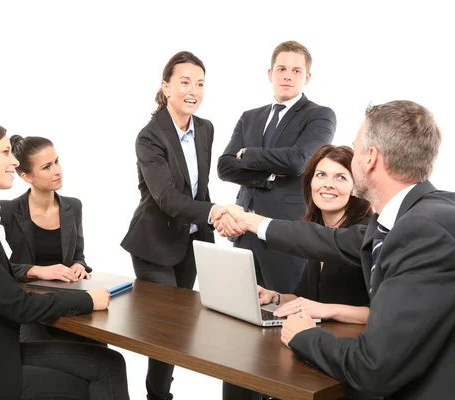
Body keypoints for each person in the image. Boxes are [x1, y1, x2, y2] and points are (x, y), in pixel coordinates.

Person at [217, 101, 454, 399]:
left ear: (370, 158)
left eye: (355, 151)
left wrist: (305, 336)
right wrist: (251, 221)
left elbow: (373, 367)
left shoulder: (421, 230)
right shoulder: (414, 216)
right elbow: (333, 241)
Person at [0, 117, 130, 400]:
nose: (14, 162)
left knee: (108, 361)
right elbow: (16, 306)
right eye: (4, 153)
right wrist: (88, 300)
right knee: (88, 381)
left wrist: (37, 273)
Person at [120, 51, 240, 400]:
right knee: (165, 332)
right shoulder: (149, 137)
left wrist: (214, 219)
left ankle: (160, 393)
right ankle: (158, 396)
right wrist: (216, 211)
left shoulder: (205, 128)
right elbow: (168, 199)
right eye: (184, 82)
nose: (194, 90)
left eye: (200, 83)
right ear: (166, 86)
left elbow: (199, 189)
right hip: (154, 245)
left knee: (181, 327)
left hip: (191, 242)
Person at [221, 144, 373, 400]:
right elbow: (305, 298)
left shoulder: (365, 235)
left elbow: (381, 314)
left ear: (356, 187)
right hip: (311, 341)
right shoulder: (315, 230)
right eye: (321, 175)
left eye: (341, 177)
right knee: (238, 369)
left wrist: (328, 309)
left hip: (346, 354)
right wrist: (275, 297)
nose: (328, 184)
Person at [217, 40, 336, 295]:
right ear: (270, 74)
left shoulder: (320, 115)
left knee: (286, 311)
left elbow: (298, 161)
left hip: (286, 233)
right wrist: (268, 175)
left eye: (296, 71)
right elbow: (225, 167)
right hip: (242, 228)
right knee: (241, 310)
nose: (288, 76)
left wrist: (247, 155)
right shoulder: (250, 116)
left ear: (308, 77)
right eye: (282, 69)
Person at [0, 134, 95, 342]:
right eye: (46, 167)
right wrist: (40, 271)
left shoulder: (73, 206)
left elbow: (79, 255)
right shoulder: (7, 211)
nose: (57, 171)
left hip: (69, 301)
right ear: (27, 177)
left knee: (100, 350)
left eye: (57, 161)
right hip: (30, 308)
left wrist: (79, 265)